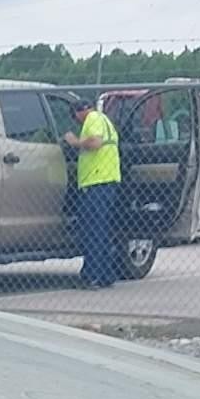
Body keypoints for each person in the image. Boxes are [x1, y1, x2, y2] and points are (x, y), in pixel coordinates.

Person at [64, 97, 123, 287]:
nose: (77, 121)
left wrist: (74, 141)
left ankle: (92, 276)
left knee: (92, 232)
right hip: (106, 180)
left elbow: (95, 143)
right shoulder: (105, 120)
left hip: (97, 182)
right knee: (101, 231)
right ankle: (106, 275)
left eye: (75, 117)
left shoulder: (93, 119)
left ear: (80, 111)